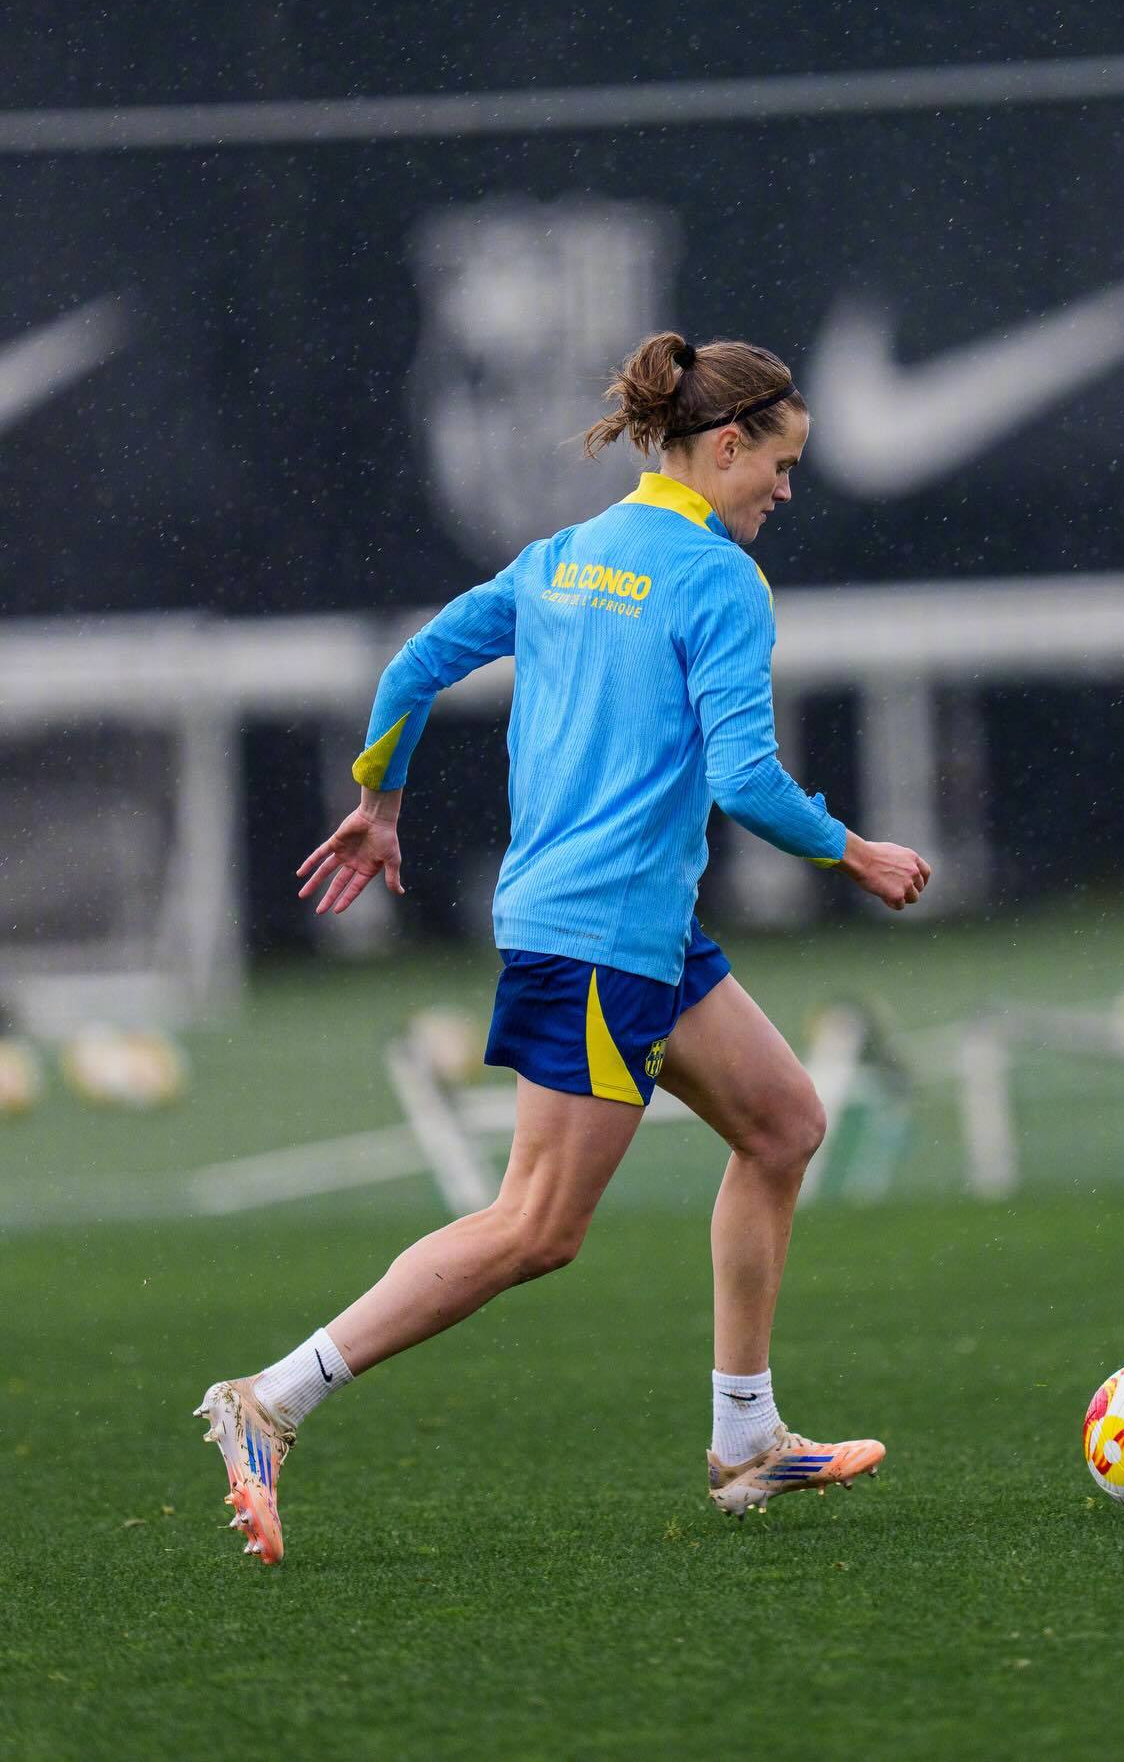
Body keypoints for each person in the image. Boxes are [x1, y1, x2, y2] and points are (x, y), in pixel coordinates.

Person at [195, 331, 931, 1564]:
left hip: (631, 928)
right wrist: (856, 853)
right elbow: (747, 778)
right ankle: (270, 1400)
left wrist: (379, 799)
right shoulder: (720, 580)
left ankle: (747, 1437)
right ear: (728, 444)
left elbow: (416, 663)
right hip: (600, 938)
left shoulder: (565, 556)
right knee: (536, 1225)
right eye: (782, 465)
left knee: (784, 1124)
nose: (786, 491)